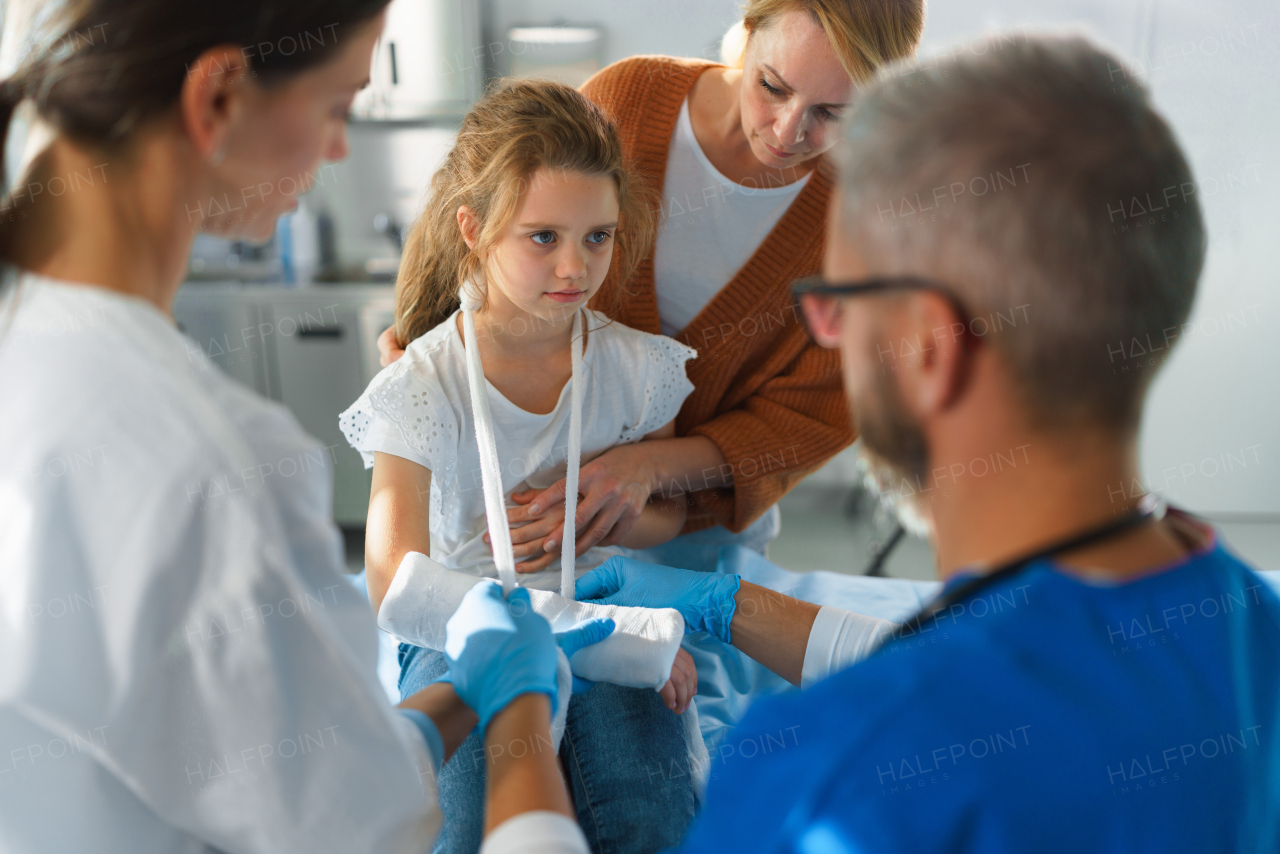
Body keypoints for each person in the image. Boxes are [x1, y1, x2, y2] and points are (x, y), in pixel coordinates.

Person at [575, 34, 1280, 852]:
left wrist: (516, 731)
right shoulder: (1246, 621)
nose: (830, 339)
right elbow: (1024, 691)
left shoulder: (819, 788)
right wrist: (724, 605)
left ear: (931, 350)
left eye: (838, 304)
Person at [0, 3, 606, 851]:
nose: (335, 151)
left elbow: (304, 777)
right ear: (216, 97)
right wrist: (519, 702)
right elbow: (361, 832)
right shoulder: (210, 462)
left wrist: (469, 688)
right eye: (337, 106)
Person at [380, 0, 926, 578]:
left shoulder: (871, 212)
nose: (788, 130)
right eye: (771, 86)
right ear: (748, 31)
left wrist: (650, 466)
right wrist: (420, 343)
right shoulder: (632, 99)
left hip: (690, 526)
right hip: (528, 505)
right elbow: (500, 205)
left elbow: (821, 409)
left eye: (832, 113)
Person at [341, 79, 703, 854]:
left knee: (653, 822)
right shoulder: (421, 385)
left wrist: (616, 516)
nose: (575, 266)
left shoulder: (641, 370)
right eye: (542, 237)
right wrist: (618, 638)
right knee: (467, 833)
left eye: (598, 237)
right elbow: (395, 583)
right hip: (459, 622)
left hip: (602, 598)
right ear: (473, 229)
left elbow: (670, 517)